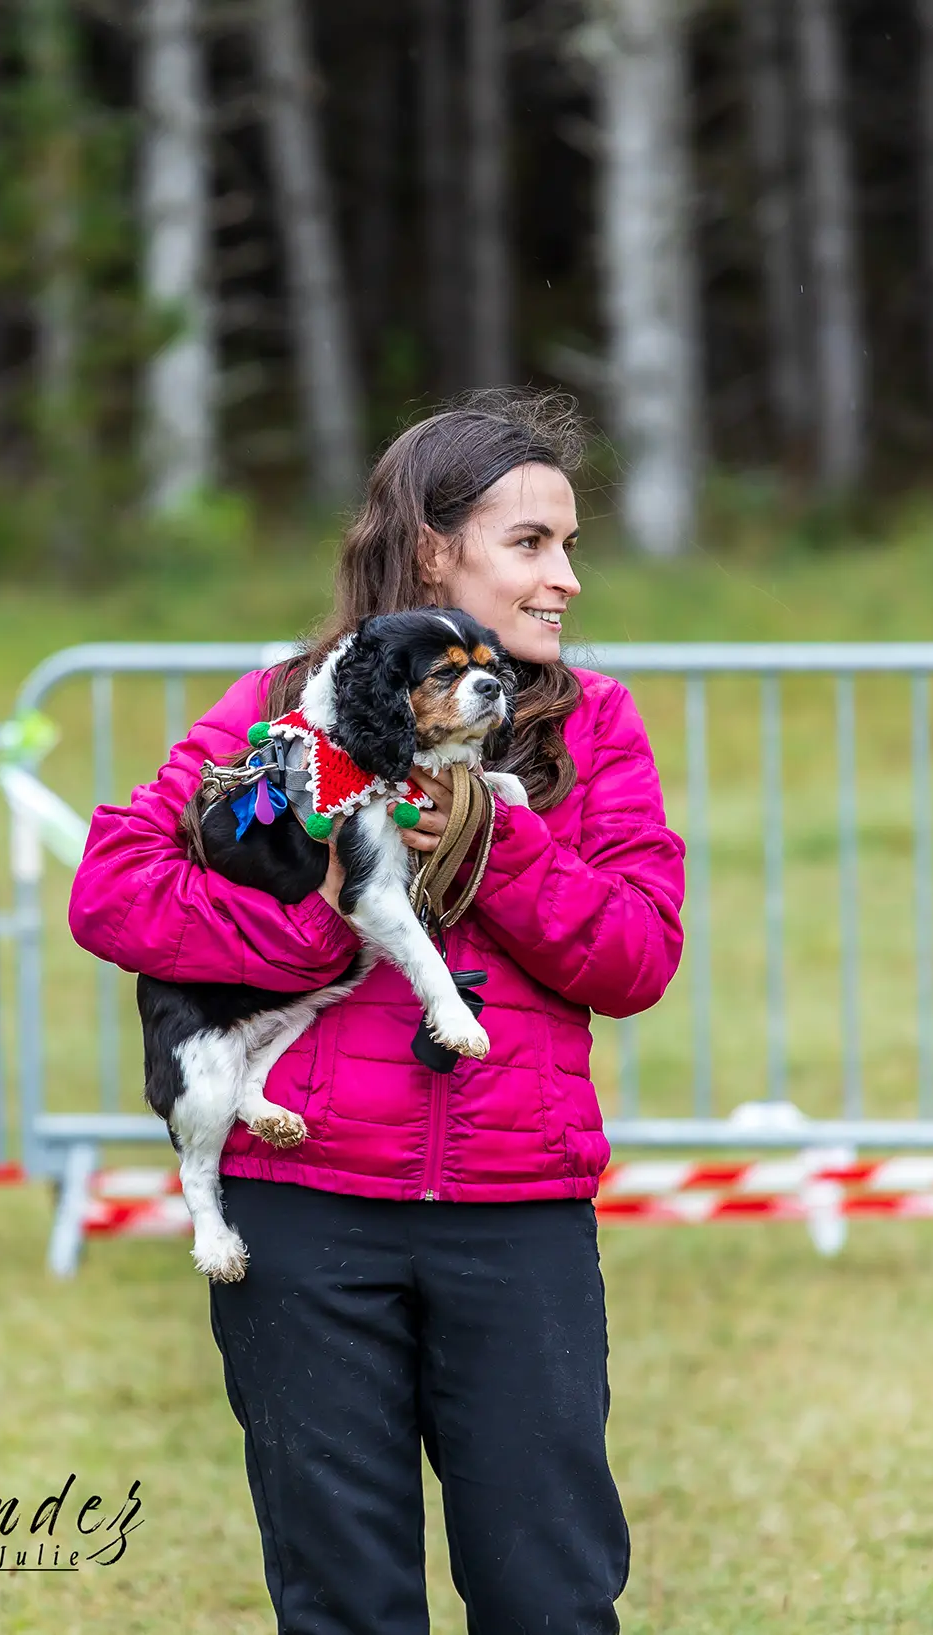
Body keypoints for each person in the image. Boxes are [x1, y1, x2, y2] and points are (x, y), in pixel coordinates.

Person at [68, 391, 686, 1633]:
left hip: (518, 1217)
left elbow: (633, 956)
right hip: (305, 1219)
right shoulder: (280, 707)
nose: (565, 578)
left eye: (570, 546)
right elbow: (115, 886)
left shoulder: (593, 725)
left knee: (550, 1598)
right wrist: (323, 921)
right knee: (344, 1602)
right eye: (530, 544)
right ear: (428, 551)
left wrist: (496, 849)